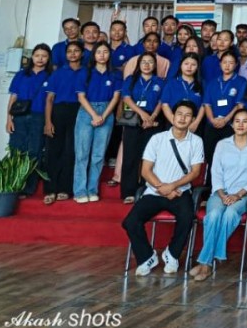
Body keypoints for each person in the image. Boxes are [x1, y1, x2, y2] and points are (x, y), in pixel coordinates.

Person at [122, 100, 204, 276]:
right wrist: (161, 187)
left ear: (193, 119)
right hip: (154, 191)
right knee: (130, 221)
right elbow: (145, 170)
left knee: (187, 217)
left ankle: (172, 254)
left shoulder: (196, 141)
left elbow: (195, 172)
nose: (182, 118)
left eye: (187, 115)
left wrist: (172, 186)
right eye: (179, 114)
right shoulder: (157, 139)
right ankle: (147, 257)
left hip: (180, 192)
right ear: (172, 116)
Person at [188, 109, 247, 281]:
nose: (241, 124)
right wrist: (222, 194)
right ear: (232, 124)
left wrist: (238, 195)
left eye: (245, 121)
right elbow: (215, 172)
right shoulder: (222, 144)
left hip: (244, 195)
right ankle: (209, 261)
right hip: (221, 192)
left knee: (230, 214)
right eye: (237, 121)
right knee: (214, 214)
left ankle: (205, 263)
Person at [72, 42, 121, 203]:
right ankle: (79, 191)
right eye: (98, 52)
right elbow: (81, 97)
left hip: (106, 111)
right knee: (82, 153)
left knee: (99, 155)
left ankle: (92, 189)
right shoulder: (85, 72)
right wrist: (94, 115)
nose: (102, 55)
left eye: (105, 51)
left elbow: (115, 98)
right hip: (87, 111)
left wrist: (103, 115)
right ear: (93, 55)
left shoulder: (115, 74)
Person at [43, 41, 86, 204]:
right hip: (59, 111)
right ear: (65, 54)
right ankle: (50, 189)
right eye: (69, 51)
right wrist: (48, 122)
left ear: (82, 53)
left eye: (76, 51)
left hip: (79, 111)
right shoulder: (58, 73)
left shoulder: (86, 72)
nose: (73, 54)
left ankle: (65, 188)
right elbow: (49, 99)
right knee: (53, 151)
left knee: (71, 151)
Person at [7, 44, 52, 197]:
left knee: (35, 151)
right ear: (32, 57)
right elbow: (13, 98)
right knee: (16, 149)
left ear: (48, 58)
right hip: (19, 117)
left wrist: (48, 122)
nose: (40, 59)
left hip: (39, 117)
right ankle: (13, 184)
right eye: (37, 55)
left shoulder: (51, 75)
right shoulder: (21, 74)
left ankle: (28, 189)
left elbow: (51, 101)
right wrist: (8, 119)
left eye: (44, 56)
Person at [120, 52, 165, 203]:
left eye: (150, 62)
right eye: (143, 62)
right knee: (130, 156)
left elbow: (161, 101)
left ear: (155, 65)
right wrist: (142, 114)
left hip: (153, 119)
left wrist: (151, 117)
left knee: (150, 157)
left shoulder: (160, 81)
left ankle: (147, 189)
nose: (146, 65)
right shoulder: (131, 80)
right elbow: (126, 98)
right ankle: (129, 192)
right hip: (133, 117)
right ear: (138, 64)